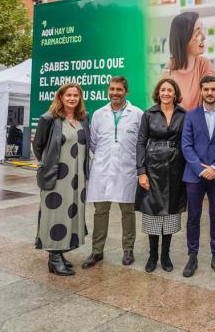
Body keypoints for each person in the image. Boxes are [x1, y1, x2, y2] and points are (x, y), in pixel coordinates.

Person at [82, 76, 143, 269]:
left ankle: (128, 249)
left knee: (128, 212)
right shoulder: (99, 114)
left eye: (119, 89)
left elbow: (142, 144)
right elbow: (93, 144)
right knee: (100, 212)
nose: (114, 93)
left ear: (126, 92)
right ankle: (97, 250)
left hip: (127, 171)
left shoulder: (137, 114)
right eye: (112, 89)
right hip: (103, 171)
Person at [181, 75, 215, 277]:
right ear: (201, 91)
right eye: (206, 89)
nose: (210, 93)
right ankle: (192, 256)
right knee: (193, 217)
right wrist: (200, 168)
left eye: (213, 89)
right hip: (194, 176)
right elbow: (186, 145)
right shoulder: (191, 115)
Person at [32, 83, 90, 276]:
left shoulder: (83, 118)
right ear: (61, 97)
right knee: (56, 215)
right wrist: (48, 165)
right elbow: (38, 146)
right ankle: (54, 258)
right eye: (68, 95)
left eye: (76, 95)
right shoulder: (49, 119)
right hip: (57, 177)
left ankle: (60, 254)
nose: (72, 99)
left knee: (70, 214)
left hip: (77, 178)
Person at [135, 78, 187, 273]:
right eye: (163, 90)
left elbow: (186, 141)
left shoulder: (184, 114)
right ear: (158, 93)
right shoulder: (148, 114)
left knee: (171, 213)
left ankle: (165, 255)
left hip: (176, 168)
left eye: (170, 90)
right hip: (152, 167)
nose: (166, 93)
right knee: (153, 213)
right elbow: (141, 143)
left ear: (175, 94)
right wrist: (141, 172)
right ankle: (152, 255)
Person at [165, 12, 215, 110]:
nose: (204, 37)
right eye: (197, 33)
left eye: (202, 30)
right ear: (183, 39)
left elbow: (209, 101)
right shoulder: (167, 71)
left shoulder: (205, 64)